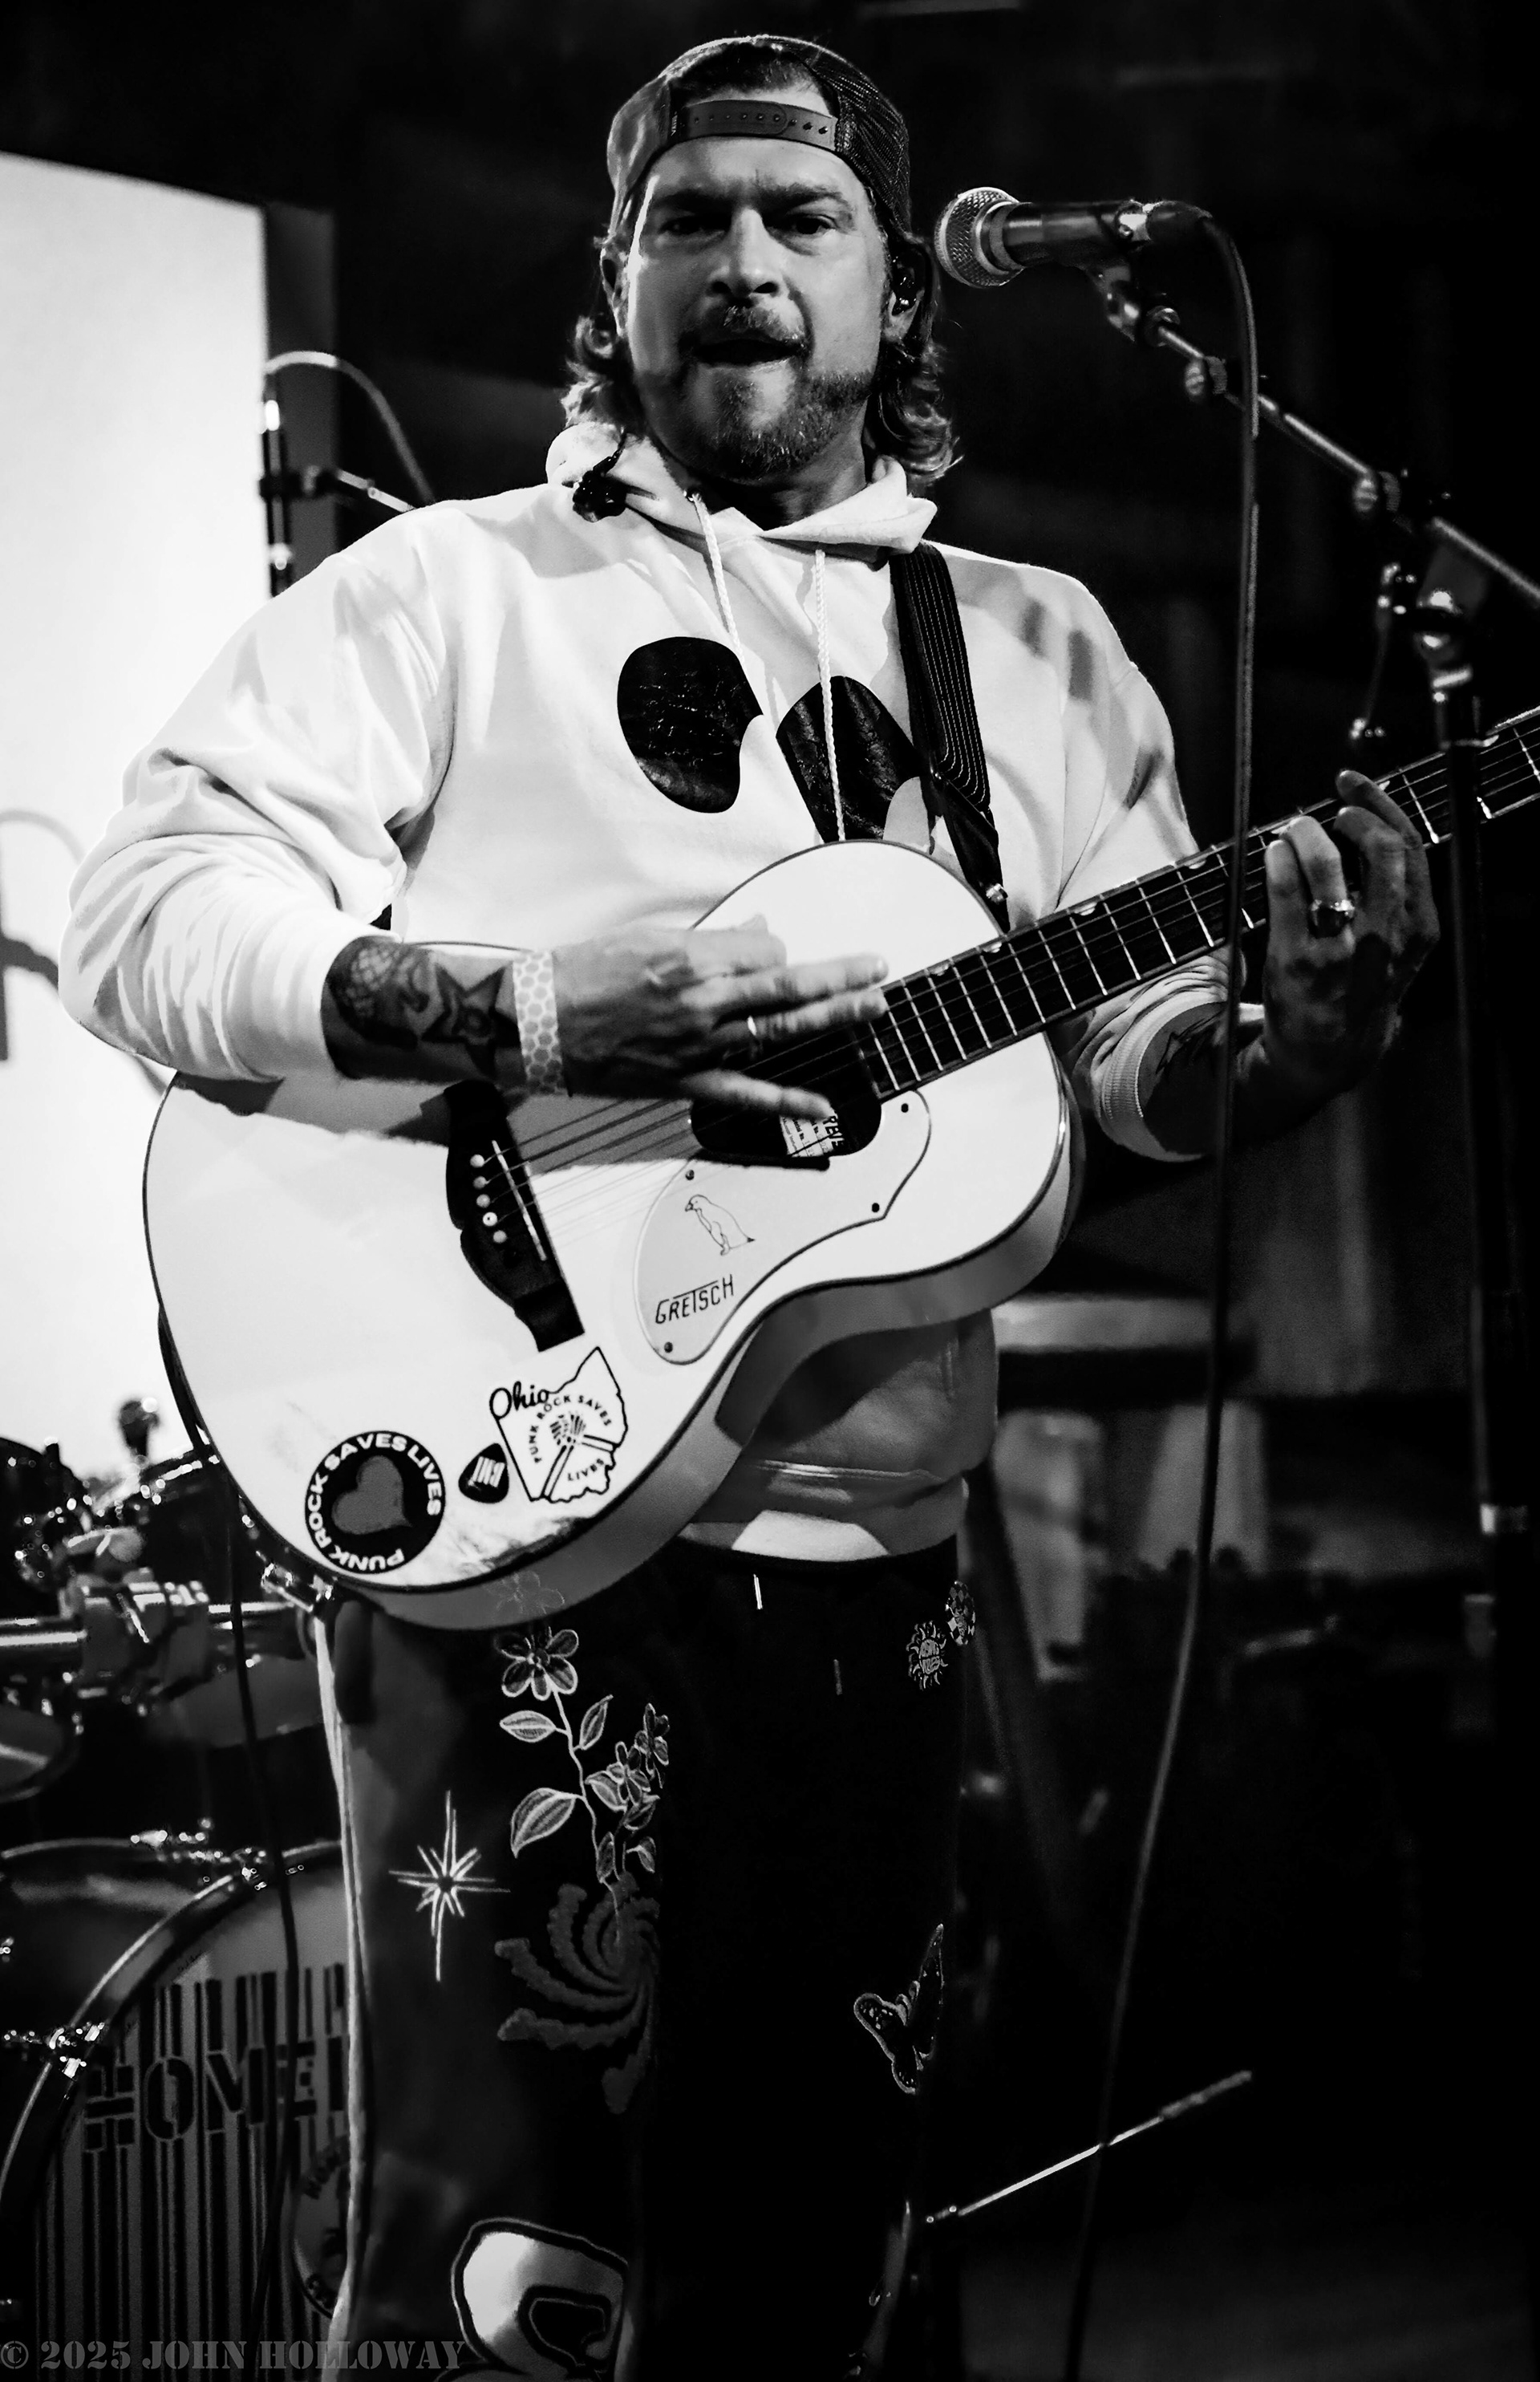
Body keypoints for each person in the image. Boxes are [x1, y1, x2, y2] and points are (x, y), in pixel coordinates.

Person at [60, 32, 1437, 2377]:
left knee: (826, 2263)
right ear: (614, 281)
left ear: (900, 288)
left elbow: (1118, 1081)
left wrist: (1281, 1051)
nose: (745, 262)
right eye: (686, 217)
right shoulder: (451, 595)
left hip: (874, 1569)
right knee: (509, 2282)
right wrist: (538, 1012)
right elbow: (141, 920)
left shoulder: (1039, 652)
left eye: (802, 219)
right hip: (516, 1535)